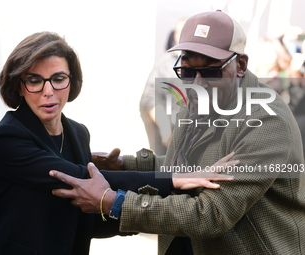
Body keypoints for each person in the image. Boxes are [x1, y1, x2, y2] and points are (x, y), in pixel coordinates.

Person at [50, 10, 305, 255]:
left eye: (211, 71)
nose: (197, 83)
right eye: (187, 71)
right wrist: (125, 164)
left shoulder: (266, 121)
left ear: (240, 65)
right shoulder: (200, 97)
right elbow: (189, 167)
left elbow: (211, 215)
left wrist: (113, 203)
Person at [0, 31, 236, 255]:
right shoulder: (10, 135)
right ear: (19, 86)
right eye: (34, 81)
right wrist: (172, 179)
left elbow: (86, 211)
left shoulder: (77, 133)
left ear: (71, 81)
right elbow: (78, 179)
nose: (48, 91)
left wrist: (149, 216)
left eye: (58, 79)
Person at [139, 18, 186, 155]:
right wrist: (165, 129)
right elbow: (150, 99)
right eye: (180, 32)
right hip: (171, 142)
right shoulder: (165, 63)